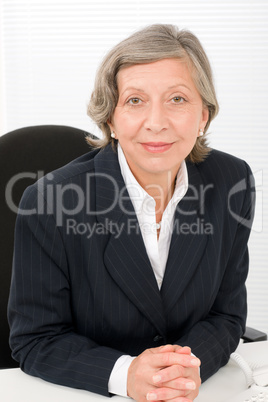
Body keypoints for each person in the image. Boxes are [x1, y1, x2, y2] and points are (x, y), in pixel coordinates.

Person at [8, 24, 255, 402]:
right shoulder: (50, 200)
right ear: (111, 119)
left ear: (203, 115)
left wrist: (186, 368)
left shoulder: (232, 181)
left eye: (177, 99)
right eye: (135, 101)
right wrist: (126, 375)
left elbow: (227, 316)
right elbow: (36, 338)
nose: (156, 122)